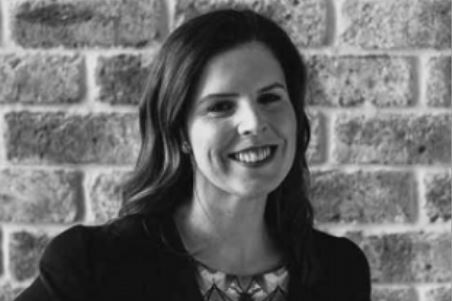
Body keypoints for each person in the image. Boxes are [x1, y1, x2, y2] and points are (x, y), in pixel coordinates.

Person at [16, 9, 370, 301]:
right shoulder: (92, 265)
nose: (253, 123)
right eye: (220, 106)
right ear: (180, 133)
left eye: (270, 98)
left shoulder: (340, 269)